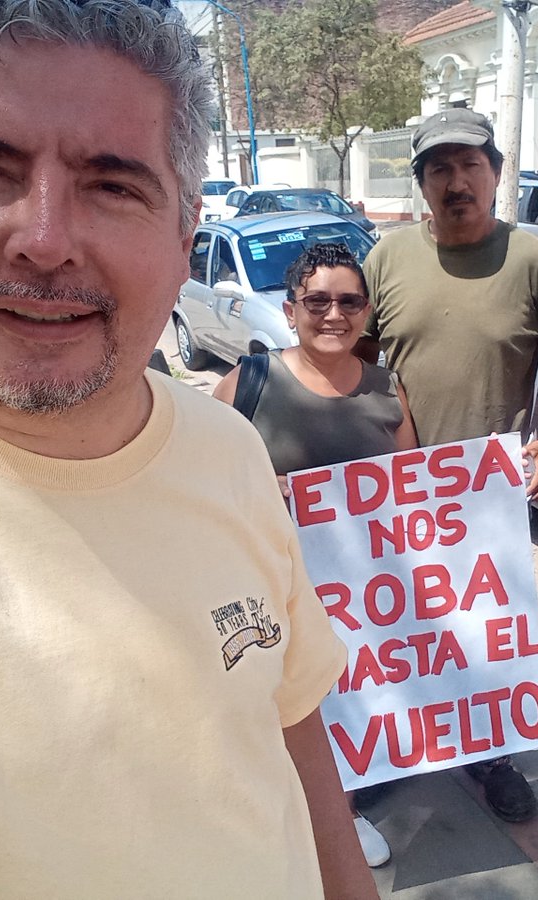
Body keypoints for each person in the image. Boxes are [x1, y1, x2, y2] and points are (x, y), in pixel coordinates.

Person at [0, 2, 375, 897]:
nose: (44, 241)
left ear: (184, 235)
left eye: (113, 186)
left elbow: (292, 731)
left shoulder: (229, 449)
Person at [357, 106, 538, 823]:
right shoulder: (386, 259)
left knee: (483, 638)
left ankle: (493, 756)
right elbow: (352, 363)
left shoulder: (535, 261)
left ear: (495, 173)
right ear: (422, 182)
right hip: (395, 490)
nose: (456, 182)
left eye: (469, 165)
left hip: (487, 496)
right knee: (403, 638)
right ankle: (398, 749)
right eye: (439, 169)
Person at [215, 242, 418, 870]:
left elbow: (413, 486)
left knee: (348, 696)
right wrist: (259, 488)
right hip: (271, 587)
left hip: (363, 593)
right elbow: (200, 479)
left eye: (350, 301)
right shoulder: (249, 382)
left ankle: (341, 812)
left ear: (366, 311)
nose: (334, 314)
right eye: (318, 300)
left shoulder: (387, 388)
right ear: (291, 308)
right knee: (284, 702)